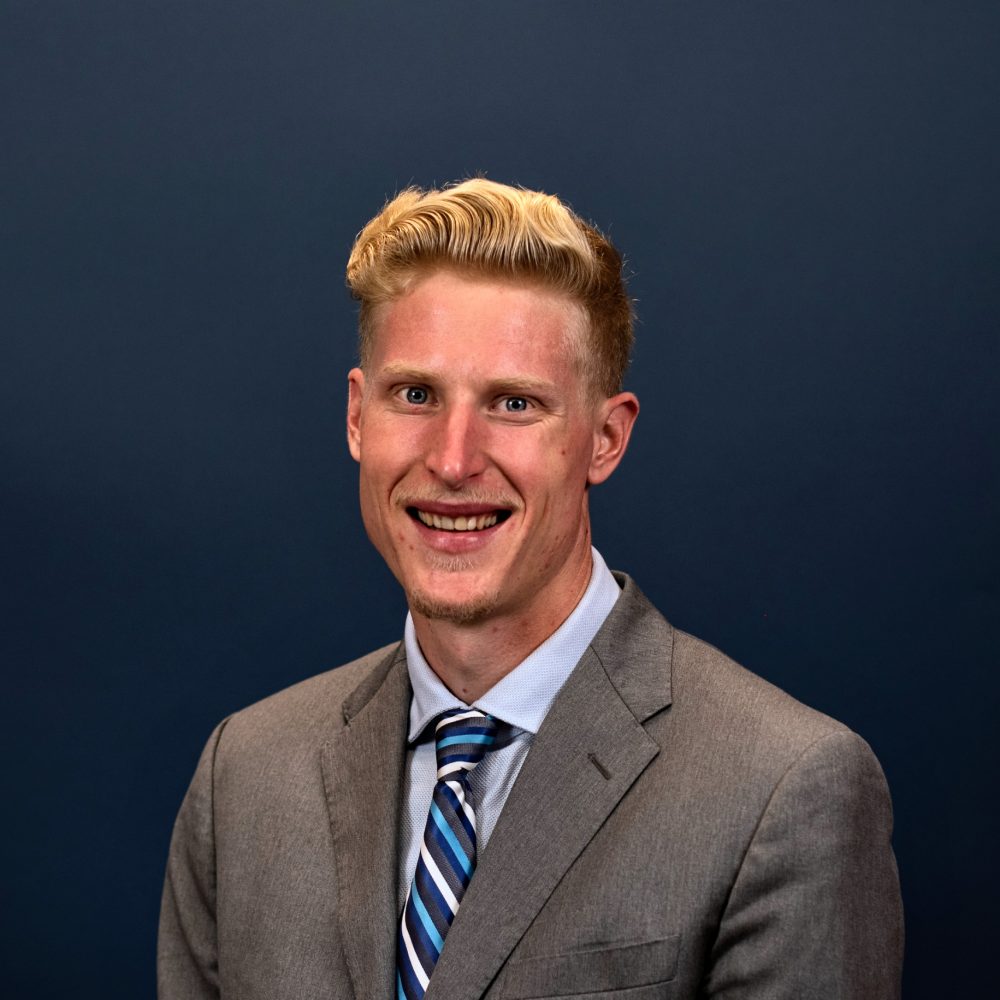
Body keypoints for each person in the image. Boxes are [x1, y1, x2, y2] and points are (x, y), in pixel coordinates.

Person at [158, 179, 903, 999]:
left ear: (605, 439)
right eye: (416, 395)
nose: (453, 460)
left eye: (514, 403)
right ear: (358, 417)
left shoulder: (783, 788)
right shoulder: (245, 776)